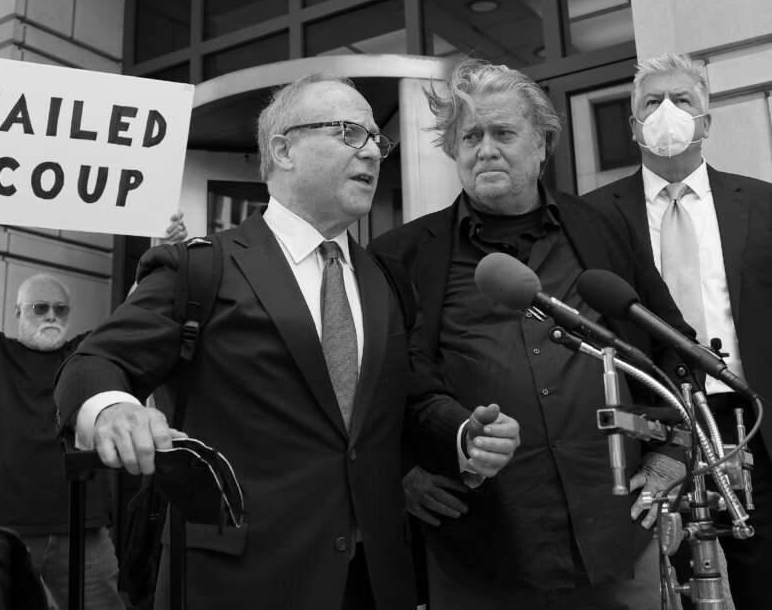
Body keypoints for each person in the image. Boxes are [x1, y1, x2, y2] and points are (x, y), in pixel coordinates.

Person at [54, 73, 522, 610]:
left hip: (374, 581)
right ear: (283, 150)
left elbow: (408, 401)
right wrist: (114, 410)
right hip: (240, 580)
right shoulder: (201, 268)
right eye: (349, 133)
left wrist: (464, 433)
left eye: (377, 138)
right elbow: (94, 363)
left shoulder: (388, 280)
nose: (371, 151)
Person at [369, 59, 694, 610]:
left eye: (503, 133)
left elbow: (671, 344)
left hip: (615, 529)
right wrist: (404, 472)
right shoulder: (402, 255)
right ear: (452, 150)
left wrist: (674, 453)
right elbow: (379, 389)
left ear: (542, 145)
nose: (485, 149)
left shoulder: (603, 228)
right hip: (480, 540)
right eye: (470, 136)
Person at [0, 195, 185, 610]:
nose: (51, 315)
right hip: (1, 530)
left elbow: (137, 309)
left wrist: (161, 244)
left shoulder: (88, 356)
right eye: (40, 307)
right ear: (18, 312)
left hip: (83, 533)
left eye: (60, 309)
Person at [583, 53, 772, 609]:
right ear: (634, 125)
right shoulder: (593, 214)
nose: (667, 112)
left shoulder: (761, 202)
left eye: (683, 100)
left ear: (707, 122)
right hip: (657, 424)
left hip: (750, 418)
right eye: (651, 103)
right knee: (677, 586)